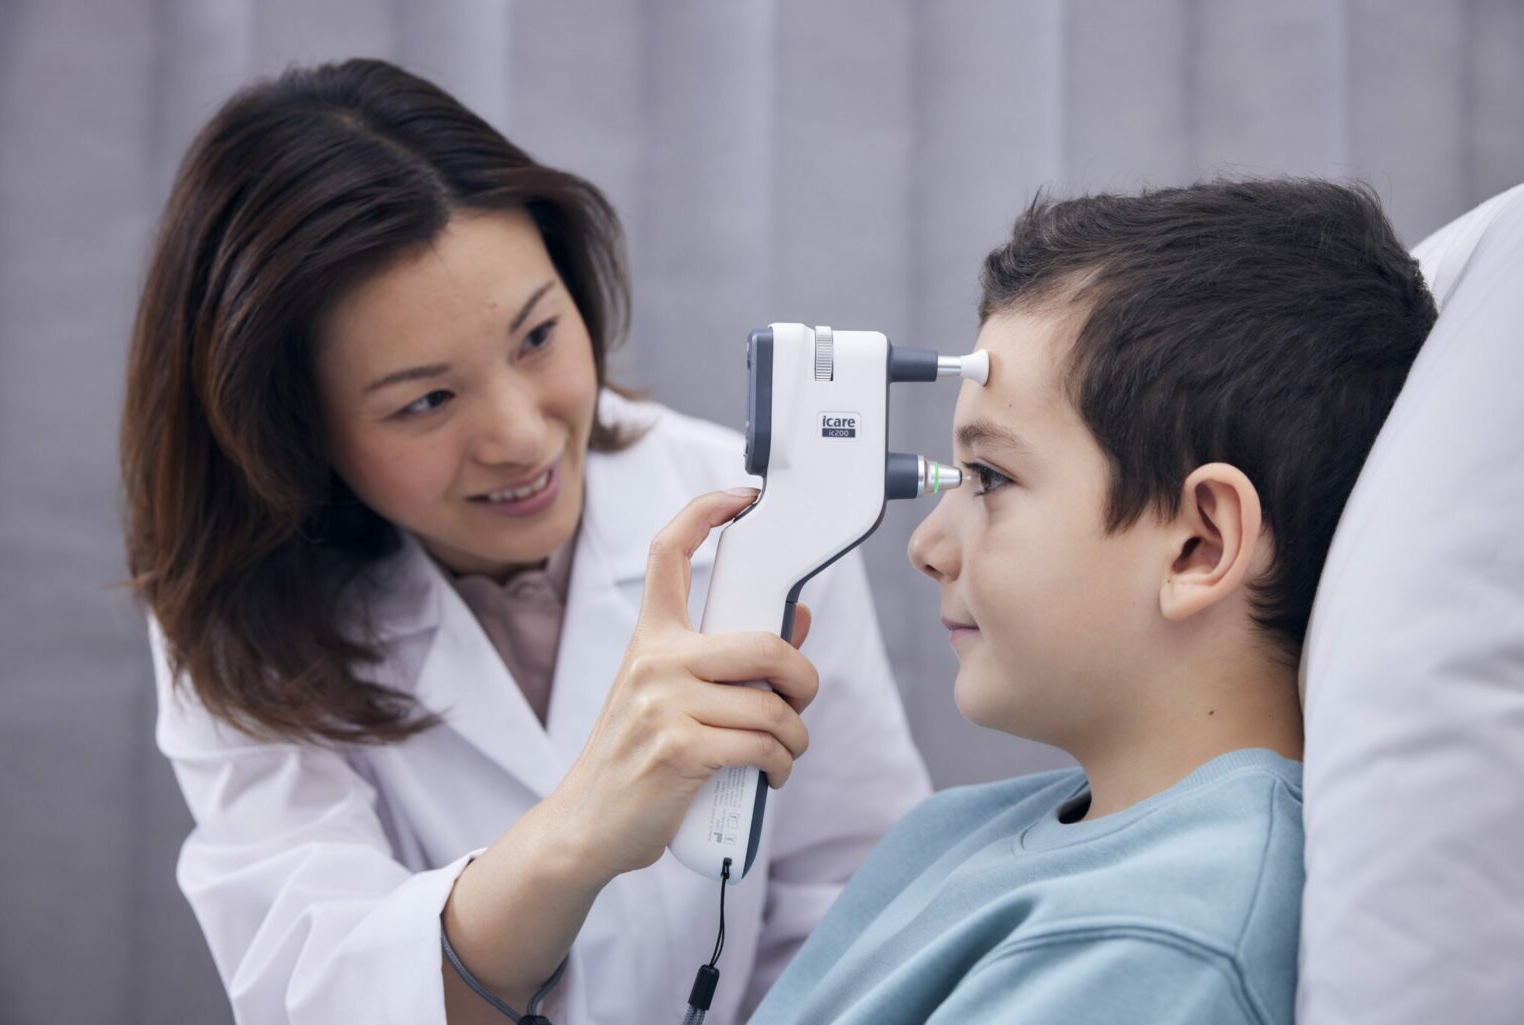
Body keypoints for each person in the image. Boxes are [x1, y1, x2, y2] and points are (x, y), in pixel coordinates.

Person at [122, 58, 930, 1025]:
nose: (520, 433)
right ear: (292, 432)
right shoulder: (241, 623)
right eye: (427, 399)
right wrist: (580, 829)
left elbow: (859, 916)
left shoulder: (763, 519)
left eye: (537, 338)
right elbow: (327, 992)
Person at [748, 179, 1438, 1025]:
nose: (926, 546)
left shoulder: (1162, 945)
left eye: (989, 478)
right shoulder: (953, 832)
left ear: (1200, 544)